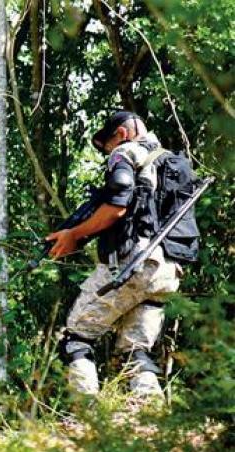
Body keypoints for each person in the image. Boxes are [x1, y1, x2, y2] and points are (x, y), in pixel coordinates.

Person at [48, 111, 182, 399]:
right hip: (167, 273)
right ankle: (149, 417)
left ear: (120, 134)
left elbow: (118, 204)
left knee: (76, 339)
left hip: (132, 263)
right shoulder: (175, 163)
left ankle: (88, 414)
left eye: (107, 145)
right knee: (135, 350)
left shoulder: (126, 152)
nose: (108, 152)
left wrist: (75, 234)